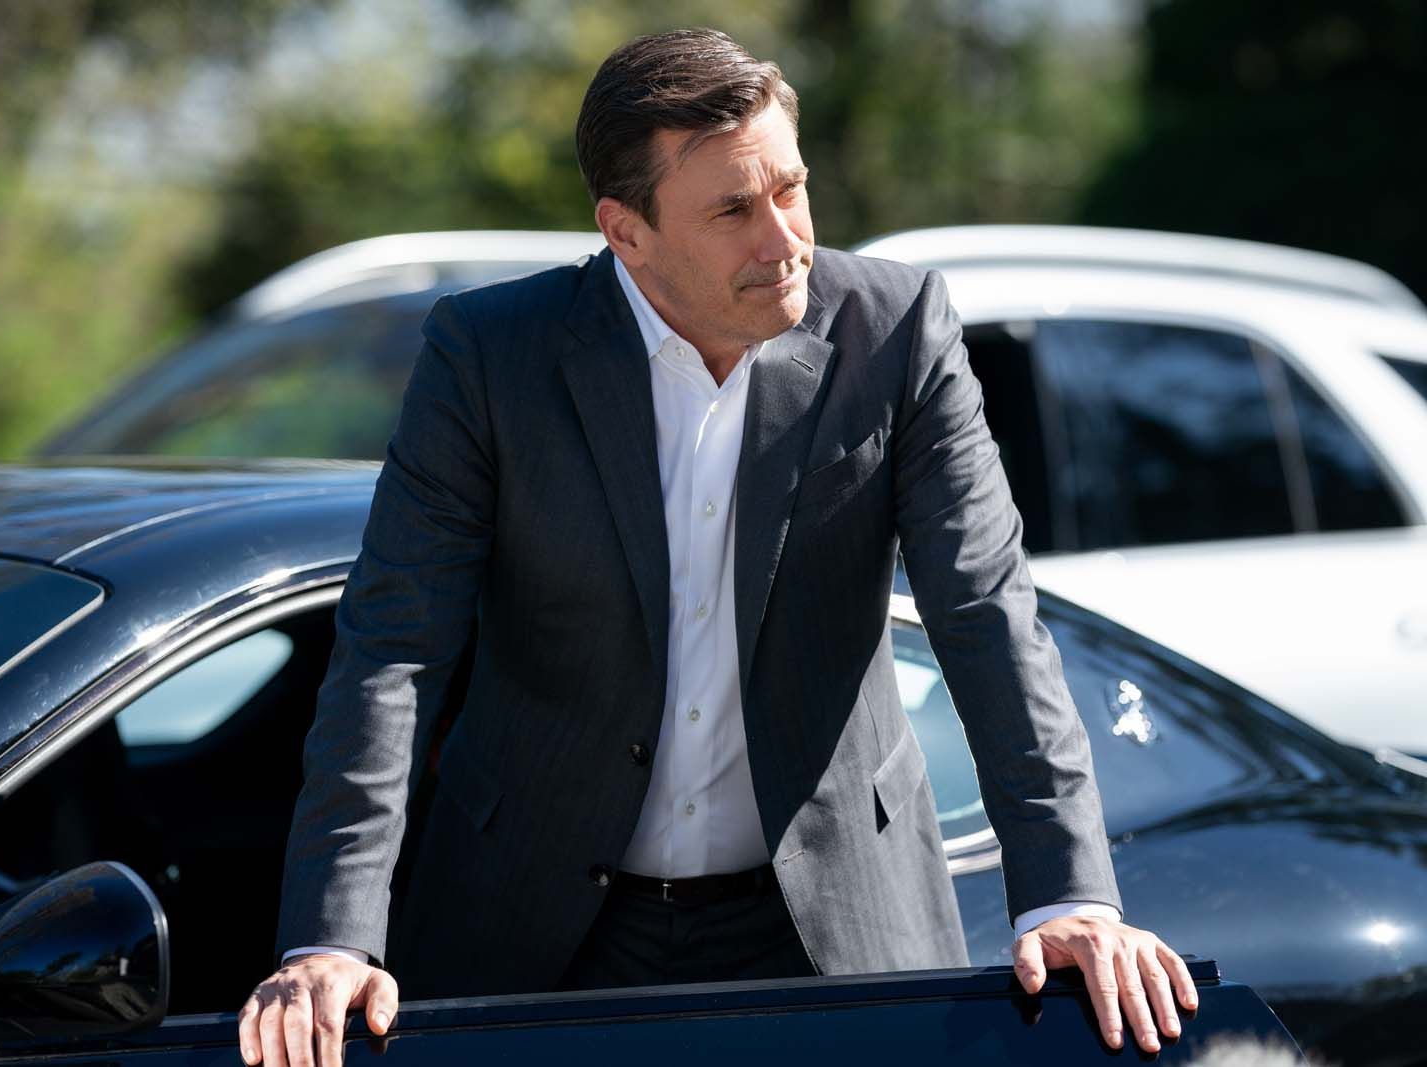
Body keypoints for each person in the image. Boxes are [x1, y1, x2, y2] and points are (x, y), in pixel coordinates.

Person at [239, 28, 1197, 1067]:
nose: (783, 240)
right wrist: (332, 936)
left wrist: (1067, 893)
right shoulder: (487, 357)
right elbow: (393, 649)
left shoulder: (896, 331)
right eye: (734, 210)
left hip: (828, 922)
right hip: (534, 926)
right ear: (627, 232)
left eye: (791, 189)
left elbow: (987, 613)